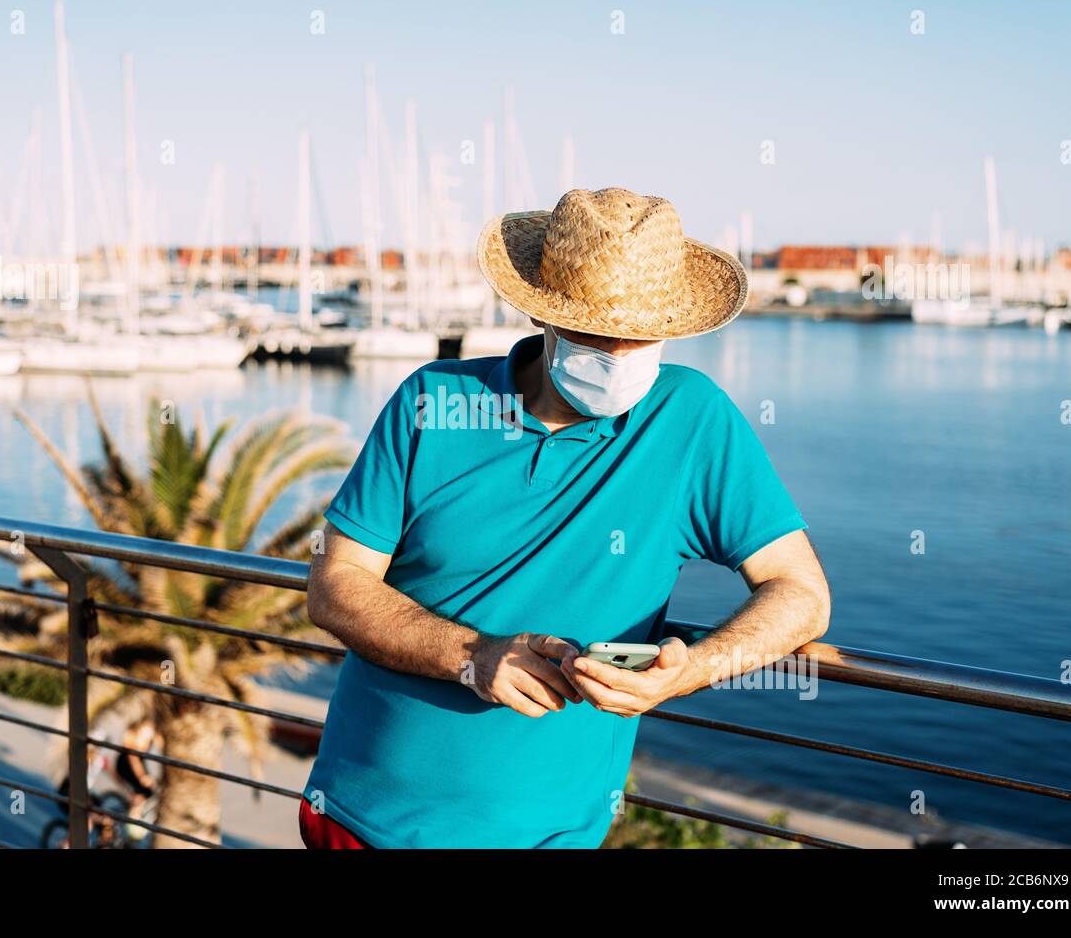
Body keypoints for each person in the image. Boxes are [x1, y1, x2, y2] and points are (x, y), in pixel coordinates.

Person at [302, 187, 831, 848]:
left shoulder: (694, 421)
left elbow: (802, 595)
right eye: (592, 328)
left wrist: (690, 670)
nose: (616, 351)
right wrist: (470, 655)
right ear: (542, 314)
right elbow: (333, 584)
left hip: (552, 837)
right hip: (360, 819)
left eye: (639, 332)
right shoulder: (434, 399)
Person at [114, 718, 158, 815]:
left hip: (141, 794)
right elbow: (134, 763)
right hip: (135, 792)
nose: (147, 744)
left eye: (149, 741)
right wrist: (143, 777)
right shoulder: (130, 753)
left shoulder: (141, 754)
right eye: (144, 739)